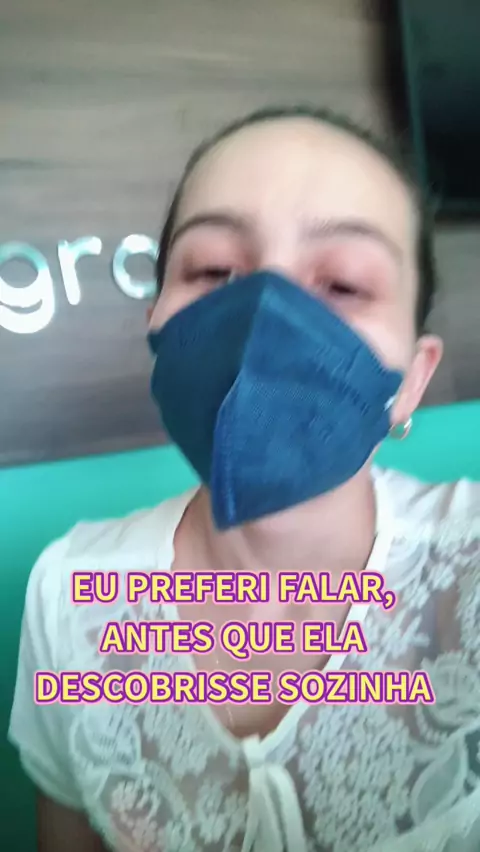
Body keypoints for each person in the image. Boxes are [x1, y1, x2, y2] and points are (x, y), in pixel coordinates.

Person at [9, 105, 480, 852]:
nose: (264, 314)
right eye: (213, 271)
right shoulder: (66, 597)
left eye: (343, 283)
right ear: (157, 325)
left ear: (413, 380)